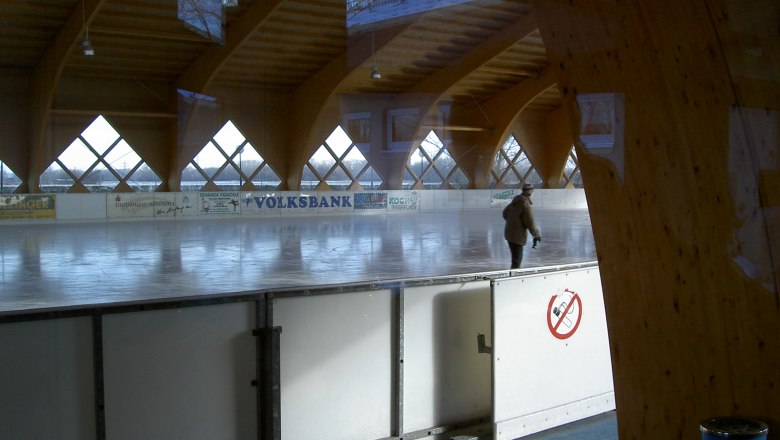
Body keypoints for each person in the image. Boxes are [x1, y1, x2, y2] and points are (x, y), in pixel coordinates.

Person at [502, 183, 541, 269]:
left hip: (509, 234)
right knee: (517, 261)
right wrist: (536, 234)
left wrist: (512, 222)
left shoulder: (515, 201)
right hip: (517, 236)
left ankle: (512, 277)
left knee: (515, 259)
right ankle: (513, 279)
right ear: (530, 193)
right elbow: (530, 222)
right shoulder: (525, 204)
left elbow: (505, 213)